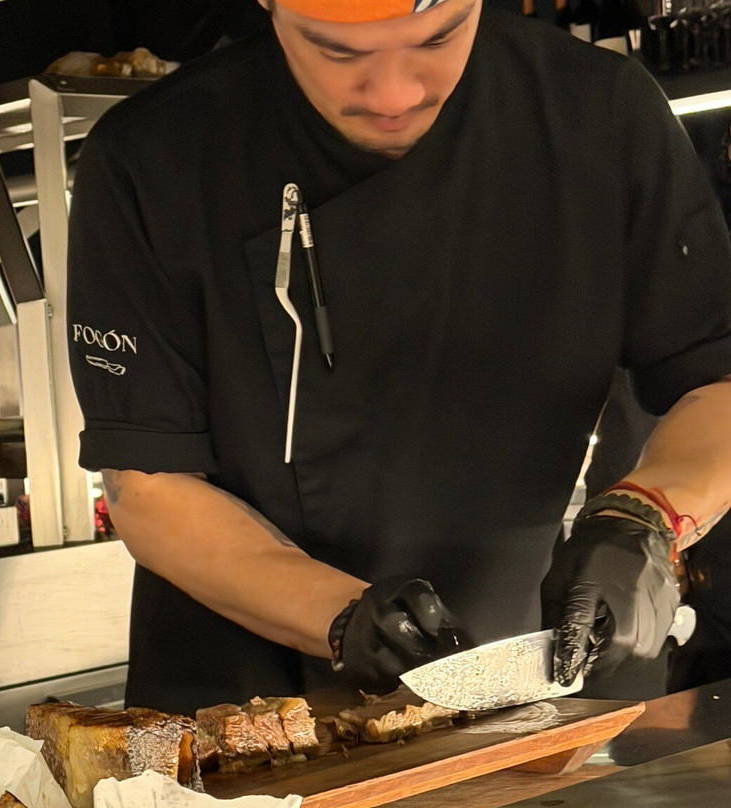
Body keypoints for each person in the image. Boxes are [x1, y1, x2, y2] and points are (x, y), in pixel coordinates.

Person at [65, 0, 731, 714]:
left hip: (502, 680)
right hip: (231, 705)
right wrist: (343, 615)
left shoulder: (599, 114)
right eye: (337, 51)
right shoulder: (153, 156)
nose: (394, 94)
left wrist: (643, 517)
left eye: (439, 37)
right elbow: (147, 487)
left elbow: (715, 380)